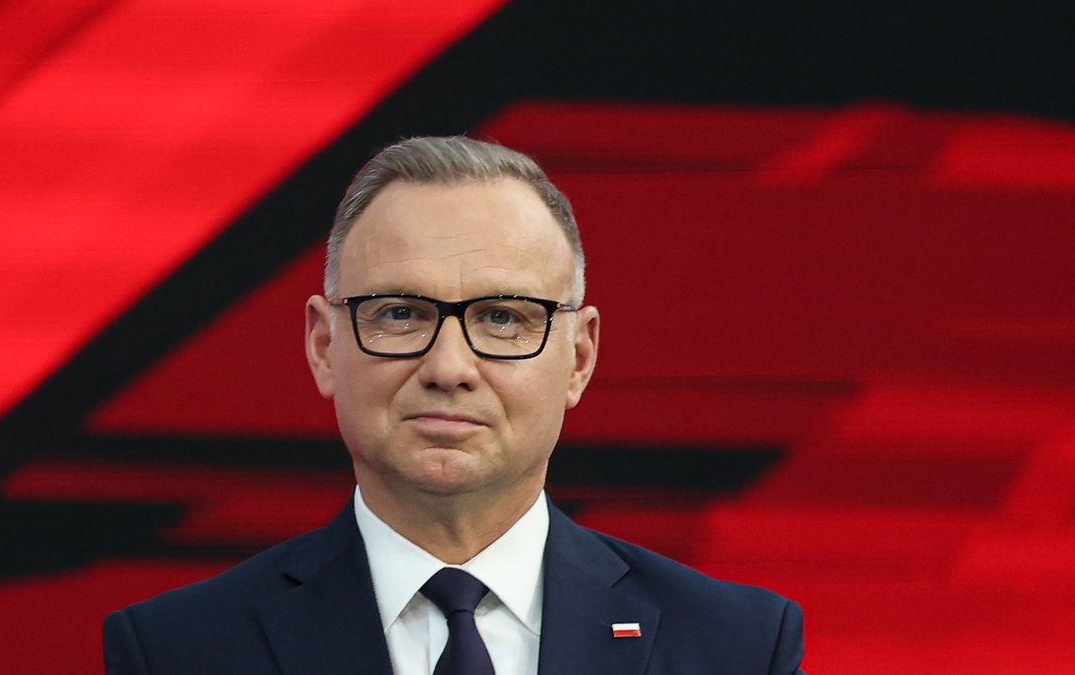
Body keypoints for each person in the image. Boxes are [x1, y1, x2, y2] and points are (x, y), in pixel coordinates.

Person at [103, 136, 806, 674]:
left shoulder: (739, 647)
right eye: (400, 313)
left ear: (579, 358)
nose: (448, 368)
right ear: (323, 345)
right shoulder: (175, 651)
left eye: (502, 318)